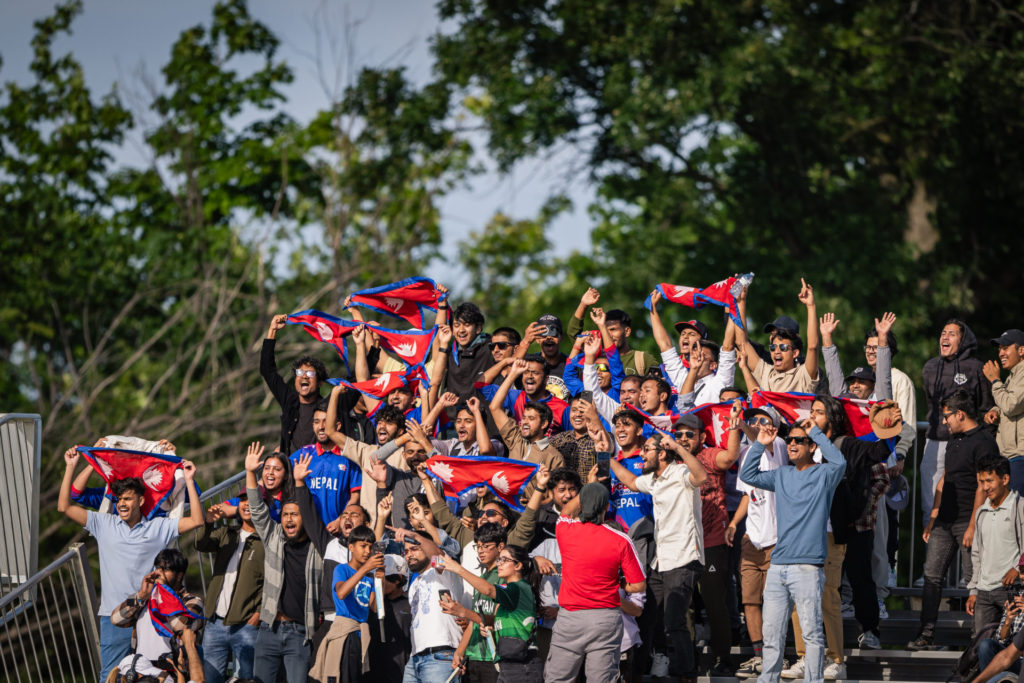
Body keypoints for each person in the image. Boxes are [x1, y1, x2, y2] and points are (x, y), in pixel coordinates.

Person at [57, 447, 204, 681]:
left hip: (149, 616)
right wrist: (71, 466)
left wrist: (188, 480)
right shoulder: (103, 523)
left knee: (154, 677)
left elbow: (196, 520)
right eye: (118, 499)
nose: (121, 504)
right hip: (114, 616)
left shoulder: (158, 526)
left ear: (141, 500)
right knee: (110, 676)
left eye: (127, 498)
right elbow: (64, 506)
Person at [740, 418, 847, 683]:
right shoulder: (782, 474)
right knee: (772, 635)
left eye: (799, 440)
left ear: (812, 447)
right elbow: (747, 476)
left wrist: (815, 432)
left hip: (808, 567)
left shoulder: (824, 474)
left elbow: (840, 463)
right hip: (778, 566)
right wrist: (760, 444)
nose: (792, 444)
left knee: (811, 634)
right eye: (789, 440)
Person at [609, 432, 707, 682]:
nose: (641, 455)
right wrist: (608, 457)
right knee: (646, 616)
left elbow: (701, 476)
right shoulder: (653, 479)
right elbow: (631, 482)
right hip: (660, 561)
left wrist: (679, 448)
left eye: (646, 450)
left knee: (674, 620)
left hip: (683, 557)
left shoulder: (681, 473)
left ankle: (687, 675)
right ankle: (637, 673)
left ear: (662, 453)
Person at [909, 390, 1000, 649]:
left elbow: (984, 486)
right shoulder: (954, 439)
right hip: (944, 521)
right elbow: (944, 478)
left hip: (968, 520)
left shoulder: (984, 442)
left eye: (947, 416)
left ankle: (978, 641)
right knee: (931, 576)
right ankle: (926, 635)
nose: (944, 421)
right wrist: (933, 517)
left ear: (960, 414)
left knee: (975, 582)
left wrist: (972, 525)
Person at [543, 482, 647, 683]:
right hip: (605, 619)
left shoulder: (565, 530)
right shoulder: (621, 539)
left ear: (581, 505)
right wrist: (619, 583)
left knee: (558, 679)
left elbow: (566, 510)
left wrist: (585, 491)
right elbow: (638, 586)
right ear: (606, 507)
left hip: (570, 618)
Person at [244, 442, 324, 683]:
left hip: (300, 633)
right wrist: (250, 472)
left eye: (295, 515)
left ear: (305, 518)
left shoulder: (318, 547)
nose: (289, 519)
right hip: (269, 628)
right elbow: (257, 510)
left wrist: (299, 482)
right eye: (286, 514)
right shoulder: (274, 535)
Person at [730, 405, 787, 679]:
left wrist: (743, 425)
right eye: (753, 418)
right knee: (750, 601)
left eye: (764, 420)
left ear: (774, 426)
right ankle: (759, 655)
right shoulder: (746, 453)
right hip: (751, 539)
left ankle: (777, 655)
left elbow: (761, 440)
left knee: (774, 603)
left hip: (776, 539)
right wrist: (734, 523)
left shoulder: (779, 445)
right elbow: (747, 494)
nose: (757, 423)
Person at [920, 320, 994, 520]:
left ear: (963, 340)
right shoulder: (930, 368)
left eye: (951, 334)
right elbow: (931, 404)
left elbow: (987, 407)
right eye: (943, 333)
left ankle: (968, 539)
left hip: (966, 443)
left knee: (965, 502)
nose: (945, 337)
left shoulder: (976, 368)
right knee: (930, 504)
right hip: (935, 442)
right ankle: (931, 540)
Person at [440, 545, 545, 682]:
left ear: (518, 565)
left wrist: (458, 569)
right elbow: (492, 620)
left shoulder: (519, 588)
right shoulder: (511, 593)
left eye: (504, 560)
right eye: (499, 559)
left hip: (523, 666)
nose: (499, 563)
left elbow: (489, 590)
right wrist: (462, 612)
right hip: (508, 665)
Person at [196, 495, 265, 683]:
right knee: (210, 679)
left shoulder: (266, 541)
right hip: (214, 623)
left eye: (252, 499)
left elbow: (272, 582)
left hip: (246, 625)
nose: (247, 504)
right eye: (242, 500)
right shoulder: (226, 533)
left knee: (248, 680)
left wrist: (258, 614)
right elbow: (201, 544)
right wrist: (208, 523)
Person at [110, 549, 204, 681]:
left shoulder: (191, 601)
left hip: (174, 673)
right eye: (157, 567)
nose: (158, 572)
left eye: (165, 569)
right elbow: (116, 619)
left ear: (179, 575)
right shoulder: (147, 599)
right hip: (142, 674)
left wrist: (165, 595)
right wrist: (141, 595)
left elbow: (183, 627)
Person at [308, 525, 383, 683]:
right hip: (345, 631)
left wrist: (379, 581)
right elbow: (341, 593)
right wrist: (365, 569)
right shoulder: (342, 569)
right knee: (340, 676)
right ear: (351, 547)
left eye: (370, 547)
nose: (367, 551)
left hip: (361, 634)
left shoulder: (369, 577)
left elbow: (375, 607)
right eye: (363, 546)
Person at [403, 531, 470, 683]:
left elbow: (438, 554)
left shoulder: (442, 571)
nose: (409, 555)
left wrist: (416, 534)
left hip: (441, 655)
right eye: (406, 551)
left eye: (414, 549)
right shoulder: (413, 585)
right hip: (415, 658)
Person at [263, 313, 337, 452]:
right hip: (290, 465)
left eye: (310, 374)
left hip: (317, 464)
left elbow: (355, 385)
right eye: (300, 373)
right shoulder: (289, 400)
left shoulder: (327, 406)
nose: (304, 376)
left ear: (320, 382)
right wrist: (272, 330)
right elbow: (268, 371)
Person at [968, 455, 1024, 634]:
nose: (985, 487)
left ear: (1005, 479)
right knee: (981, 645)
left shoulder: (1020, 507)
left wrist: (1017, 568)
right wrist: (973, 590)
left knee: (1012, 643)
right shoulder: (981, 512)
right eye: (982, 482)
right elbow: (977, 553)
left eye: (990, 481)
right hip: (984, 592)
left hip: (1011, 589)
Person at [735, 278, 820, 393]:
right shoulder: (766, 372)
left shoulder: (803, 375)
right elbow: (742, 343)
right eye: (773, 347)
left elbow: (813, 347)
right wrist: (741, 301)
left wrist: (811, 306)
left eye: (783, 347)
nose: (777, 351)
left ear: (795, 353)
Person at [289, 398, 362, 531]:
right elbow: (278, 472)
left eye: (326, 421)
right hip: (308, 532)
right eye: (316, 422)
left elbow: (355, 496)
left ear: (337, 426)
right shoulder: (303, 454)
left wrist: (341, 520)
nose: (321, 427)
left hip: (339, 531)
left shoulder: (349, 456)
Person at [984, 329, 1024, 492]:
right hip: (1010, 457)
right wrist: (995, 412)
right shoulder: (1012, 376)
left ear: (1021, 350)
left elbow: (1011, 405)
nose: (1001, 353)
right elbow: (1008, 404)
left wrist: (995, 380)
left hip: (1020, 457)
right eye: (999, 349)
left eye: (1005, 348)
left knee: (1017, 507)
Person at [367, 554, 413, 681]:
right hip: (375, 670)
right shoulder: (374, 603)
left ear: (397, 579)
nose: (379, 582)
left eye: (383, 579)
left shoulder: (411, 603)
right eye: (377, 578)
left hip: (402, 672)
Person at [444, 302, 495, 401]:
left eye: (467, 325)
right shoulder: (450, 352)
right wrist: (442, 305)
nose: (461, 330)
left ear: (478, 328)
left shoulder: (491, 348)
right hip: (454, 410)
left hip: (481, 410)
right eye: (457, 325)